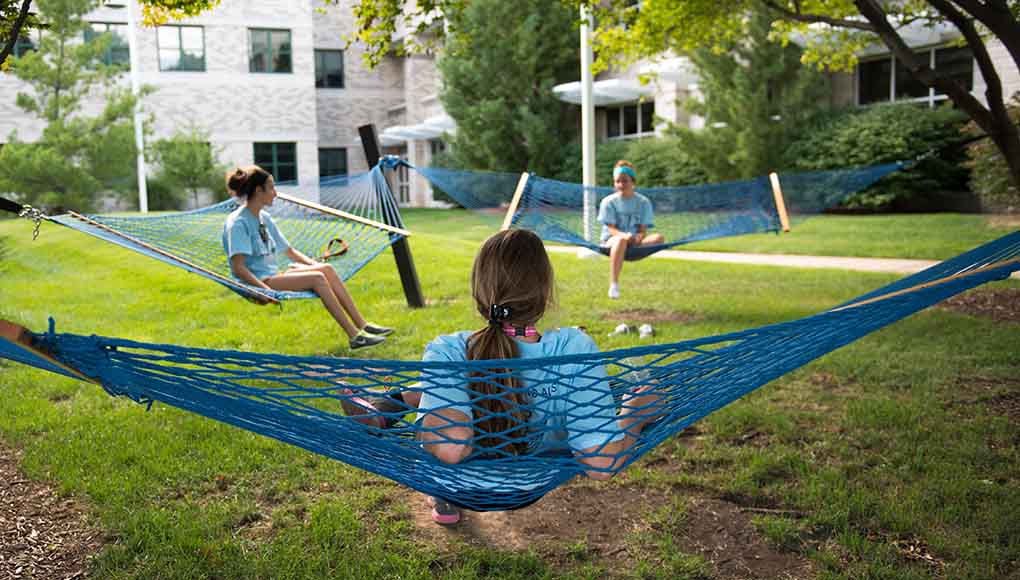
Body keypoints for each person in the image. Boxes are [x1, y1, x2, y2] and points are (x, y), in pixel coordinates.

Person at [356, 229, 661, 525]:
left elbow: (449, 449)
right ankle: (390, 407)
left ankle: (390, 408)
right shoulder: (574, 349)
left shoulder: (448, 350)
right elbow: (601, 463)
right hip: (524, 487)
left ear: (479, 292)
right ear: (546, 292)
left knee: (440, 391)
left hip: (456, 485)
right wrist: (635, 414)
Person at [222, 165, 392, 350]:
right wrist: (265, 291)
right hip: (260, 283)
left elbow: (290, 251)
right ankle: (355, 337)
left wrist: (314, 264)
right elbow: (238, 267)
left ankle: (363, 325)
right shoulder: (238, 223)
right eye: (271, 187)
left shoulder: (263, 217)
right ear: (258, 190)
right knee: (318, 278)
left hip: (274, 275)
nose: (276, 193)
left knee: (326, 270)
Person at [598, 160, 664, 299]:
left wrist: (639, 236)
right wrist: (624, 236)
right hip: (611, 242)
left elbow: (642, 229)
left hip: (633, 243)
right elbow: (611, 229)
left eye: (625, 181)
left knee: (659, 238)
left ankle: (629, 252)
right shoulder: (608, 202)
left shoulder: (643, 202)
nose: (621, 184)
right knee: (620, 240)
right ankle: (614, 284)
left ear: (633, 182)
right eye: (617, 181)